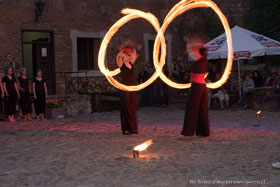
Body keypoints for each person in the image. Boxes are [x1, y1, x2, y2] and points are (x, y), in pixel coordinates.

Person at [182, 43, 209, 137]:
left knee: (192, 108)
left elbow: (192, 51)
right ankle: (203, 131)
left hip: (197, 86)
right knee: (202, 109)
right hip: (203, 87)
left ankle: (188, 131)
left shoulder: (198, 59)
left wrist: (190, 47)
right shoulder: (204, 59)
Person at [117, 43, 139, 135]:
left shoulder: (131, 63)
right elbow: (119, 56)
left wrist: (133, 46)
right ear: (124, 56)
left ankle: (132, 128)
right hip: (124, 88)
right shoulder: (121, 64)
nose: (130, 57)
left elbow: (135, 54)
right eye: (128, 55)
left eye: (130, 55)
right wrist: (122, 51)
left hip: (131, 88)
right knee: (126, 107)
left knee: (132, 107)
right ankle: (126, 128)